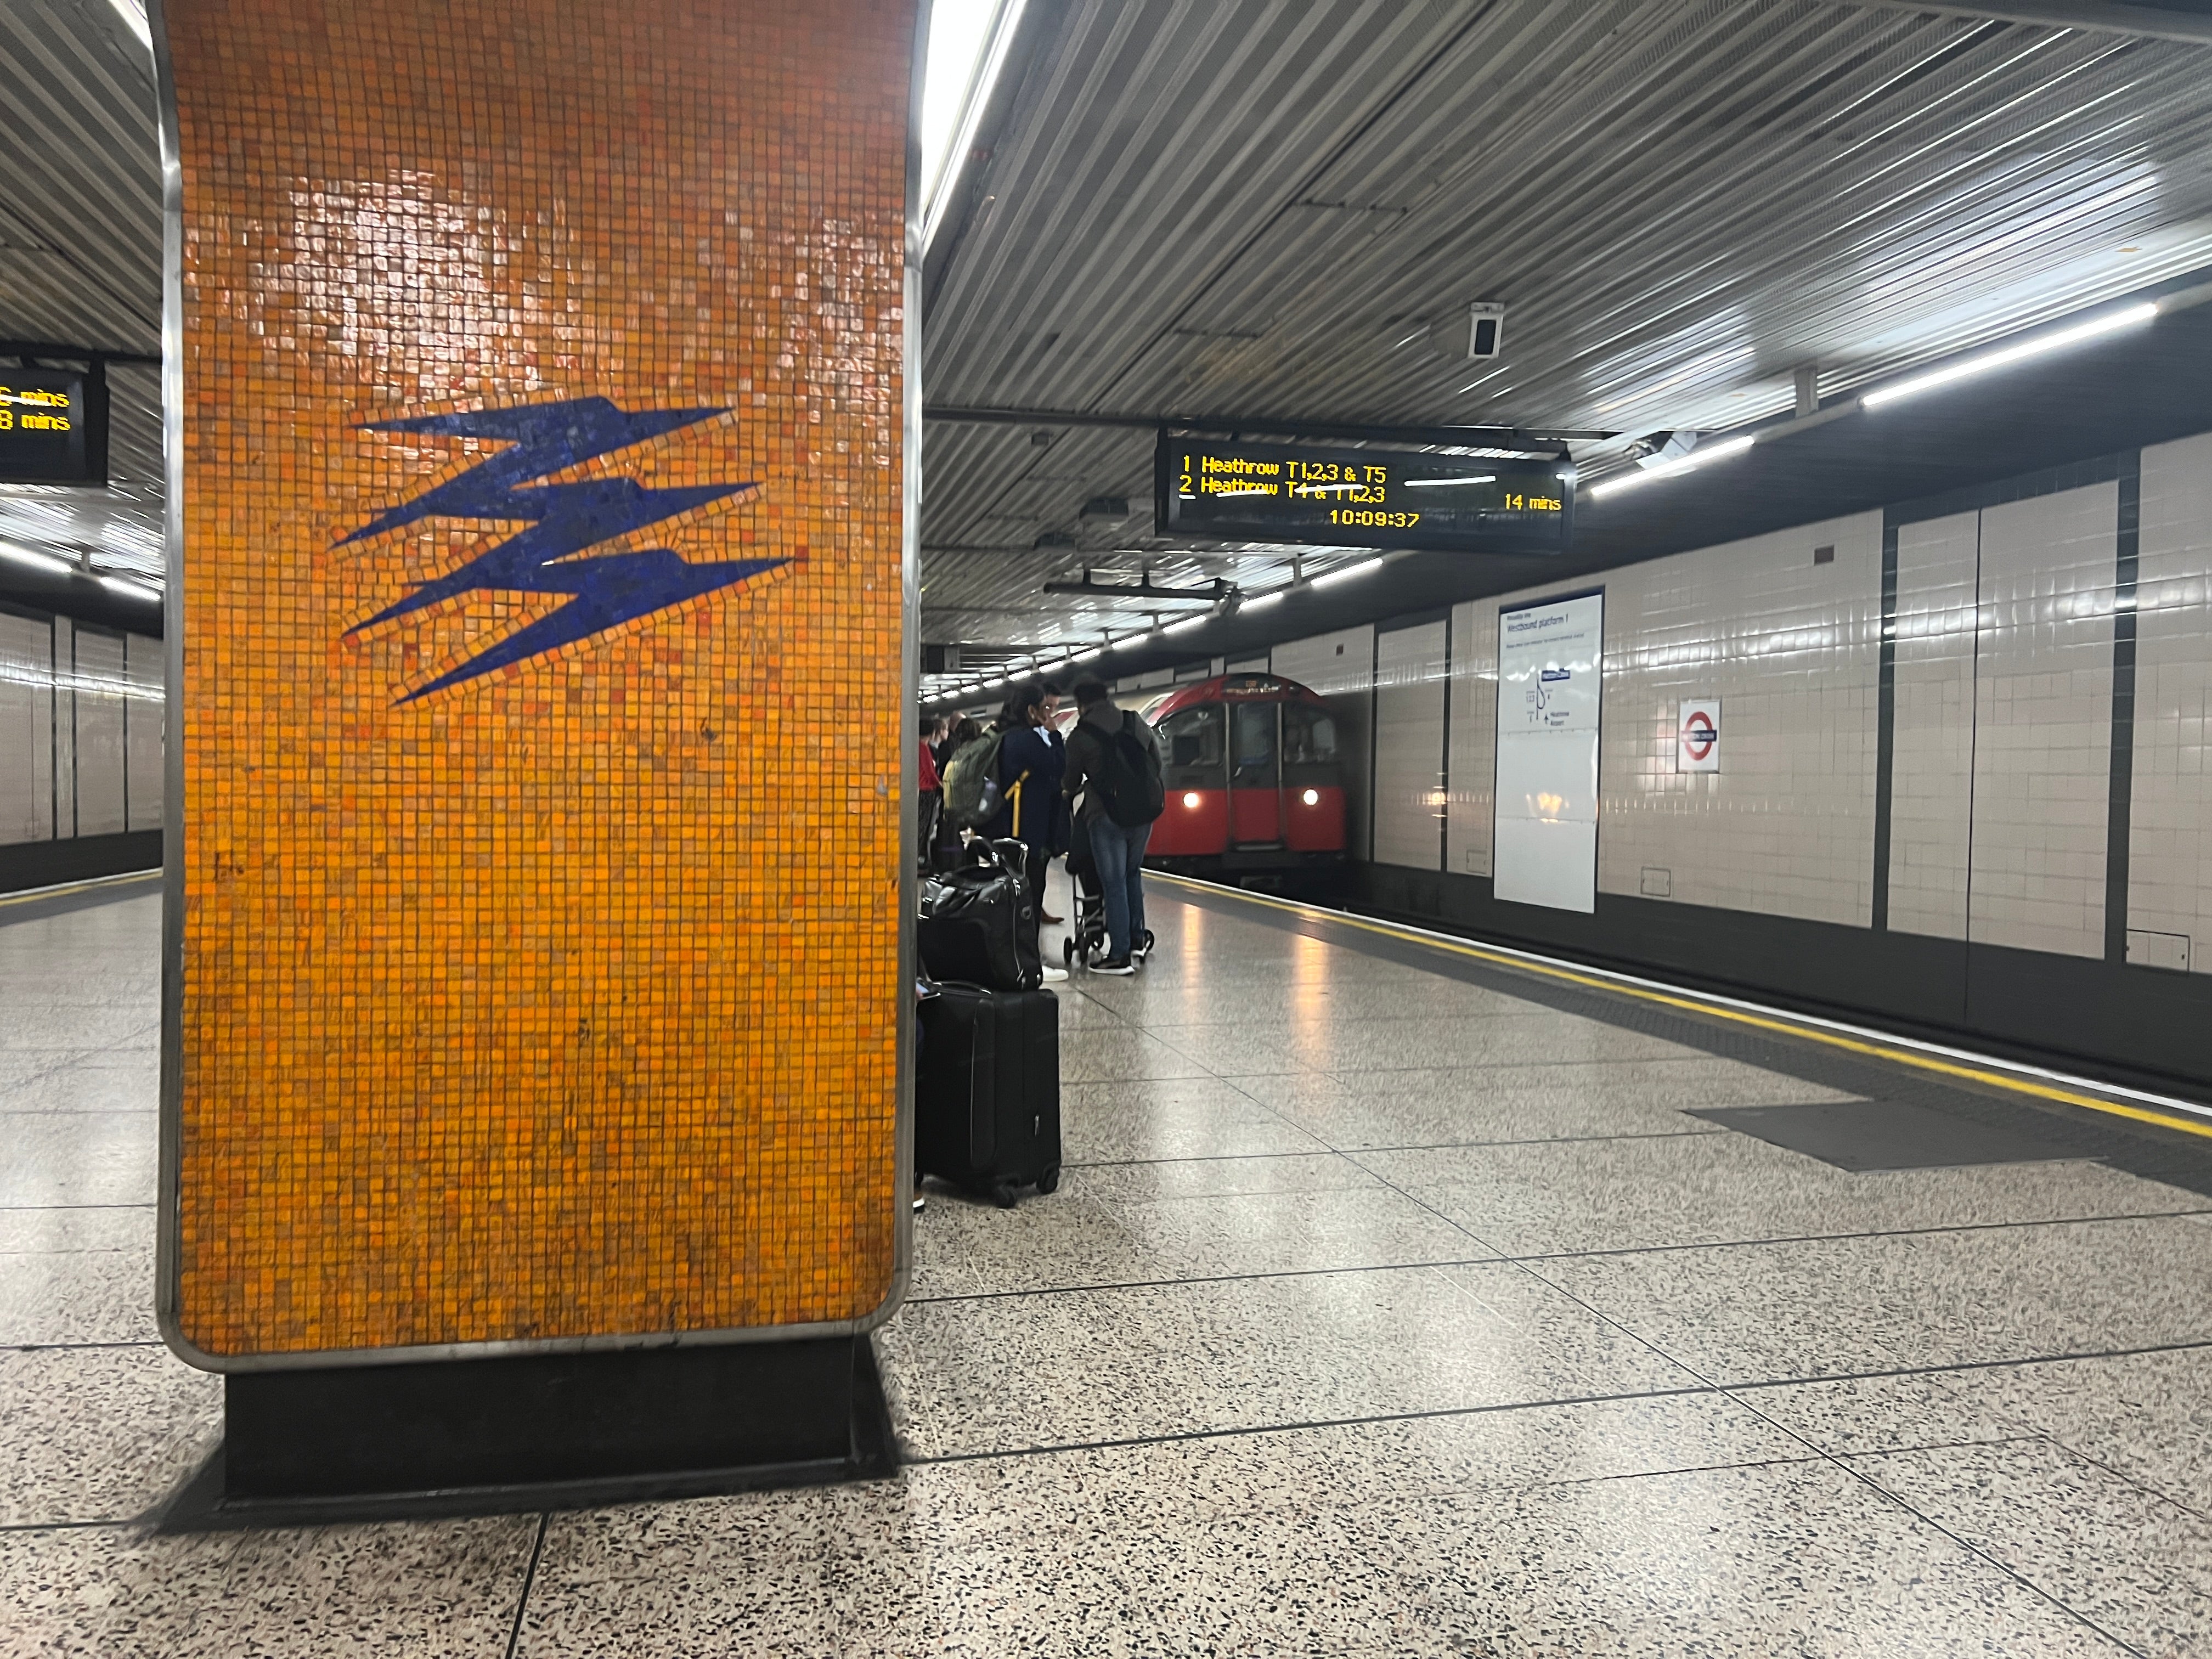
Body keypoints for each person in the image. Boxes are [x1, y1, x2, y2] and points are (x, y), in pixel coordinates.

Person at [1060, 679, 1163, 975]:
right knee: (1132, 873)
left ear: (1081, 705)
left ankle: (1118, 956)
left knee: (1113, 882)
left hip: (1106, 817)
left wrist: (1074, 790)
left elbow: (1070, 782)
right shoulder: (1135, 721)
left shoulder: (1080, 736)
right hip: (1144, 813)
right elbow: (1155, 764)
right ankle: (1135, 941)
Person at [985, 681, 1069, 922]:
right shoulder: (1027, 740)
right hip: (1027, 829)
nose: (1047, 713)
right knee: (1030, 890)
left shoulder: (1009, 736)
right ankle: (1025, 950)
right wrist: (1054, 734)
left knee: (1017, 888)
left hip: (1012, 825)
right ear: (1032, 710)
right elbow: (1058, 766)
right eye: (1044, 707)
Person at [916, 714, 945, 874]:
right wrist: (941, 784)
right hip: (926, 792)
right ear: (932, 732)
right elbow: (930, 773)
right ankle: (919, 861)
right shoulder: (924, 748)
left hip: (919, 791)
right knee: (923, 827)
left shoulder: (913, 746)